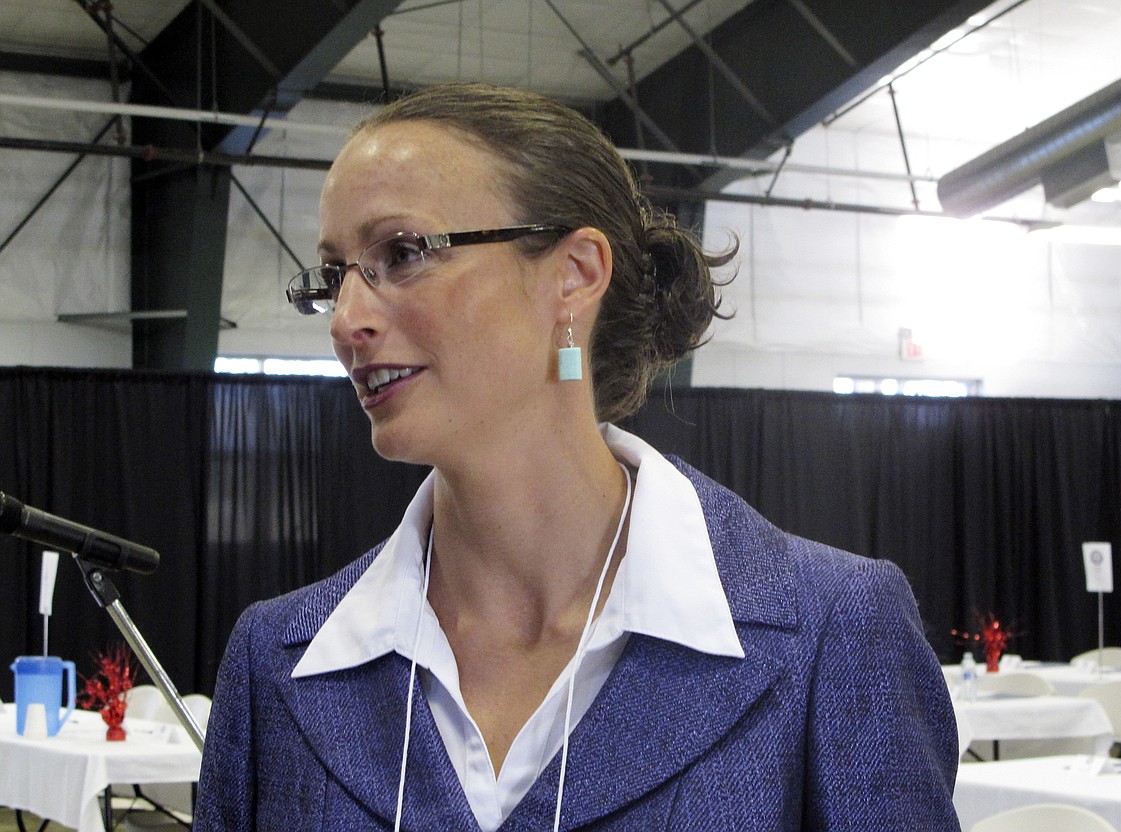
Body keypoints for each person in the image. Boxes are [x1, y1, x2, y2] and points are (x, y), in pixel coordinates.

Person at [194, 82, 959, 831]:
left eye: (402, 253)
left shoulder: (827, 632)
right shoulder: (277, 663)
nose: (348, 319)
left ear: (574, 275)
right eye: (336, 276)